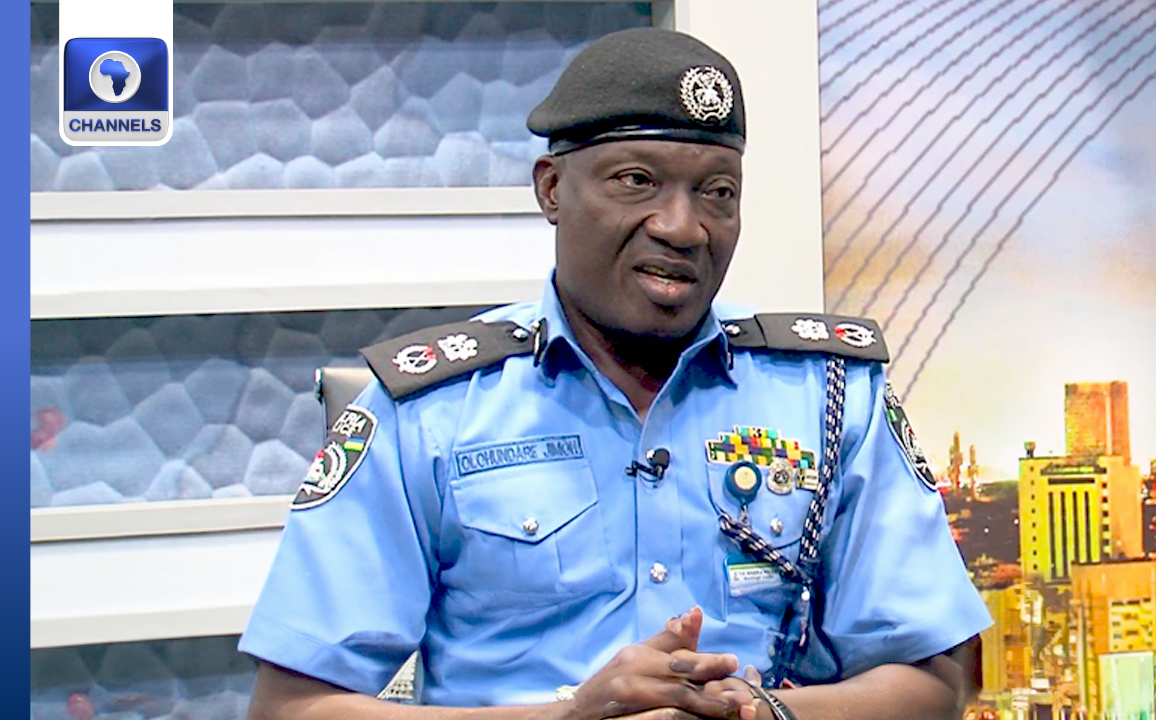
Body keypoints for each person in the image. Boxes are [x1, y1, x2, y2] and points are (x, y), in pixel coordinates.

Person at [239, 27, 991, 720]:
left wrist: (763, 714)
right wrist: (572, 716)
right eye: (636, 181)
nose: (682, 227)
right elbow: (293, 708)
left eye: (718, 193)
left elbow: (934, 681)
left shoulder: (831, 396)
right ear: (551, 189)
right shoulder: (430, 409)